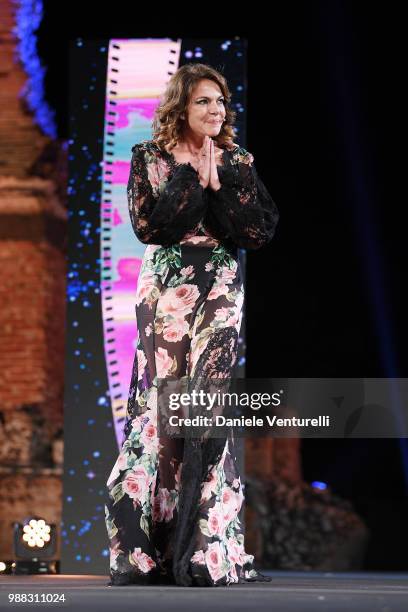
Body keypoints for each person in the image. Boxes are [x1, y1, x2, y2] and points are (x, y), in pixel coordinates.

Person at [104, 63, 279, 587]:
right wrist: (190, 178)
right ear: (182, 106)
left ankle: (204, 549)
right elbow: (150, 226)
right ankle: (149, 549)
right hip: (166, 288)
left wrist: (220, 181)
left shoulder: (238, 160)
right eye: (204, 101)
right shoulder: (151, 158)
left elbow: (259, 229)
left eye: (221, 102)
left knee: (206, 402)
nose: (215, 111)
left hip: (221, 285)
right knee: (164, 402)